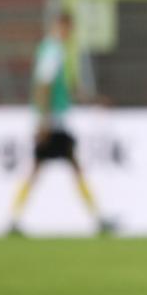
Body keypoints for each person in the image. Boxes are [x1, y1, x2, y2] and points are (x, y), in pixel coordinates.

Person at [9, 13, 108, 235]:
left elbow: (64, 87)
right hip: (53, 122)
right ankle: (99, 218)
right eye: (68, 29)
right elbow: (43, 86)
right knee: (69, 168)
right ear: (61, 27)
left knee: (46, 170)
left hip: (55, 120)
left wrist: (92, 99)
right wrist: (43, 122)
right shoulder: (53, 50)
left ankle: (14, 218)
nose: (69, 34)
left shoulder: (56, 50)